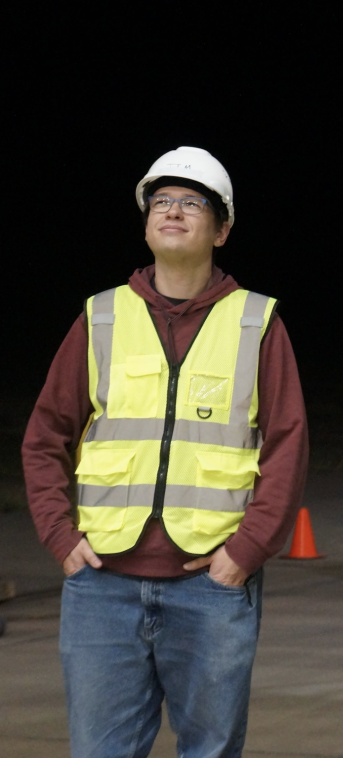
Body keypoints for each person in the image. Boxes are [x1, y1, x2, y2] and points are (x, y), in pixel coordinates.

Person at [22, 146, 309, 758]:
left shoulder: (257, 323)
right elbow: (46, 435)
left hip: (211, 585)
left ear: (222, 229)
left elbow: (286, 449)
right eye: (161, 201)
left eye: (192, 202)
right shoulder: (100, 317)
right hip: (102, 586)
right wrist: (58, 536)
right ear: (146, 221)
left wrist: (243, 554)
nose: (173, 211)